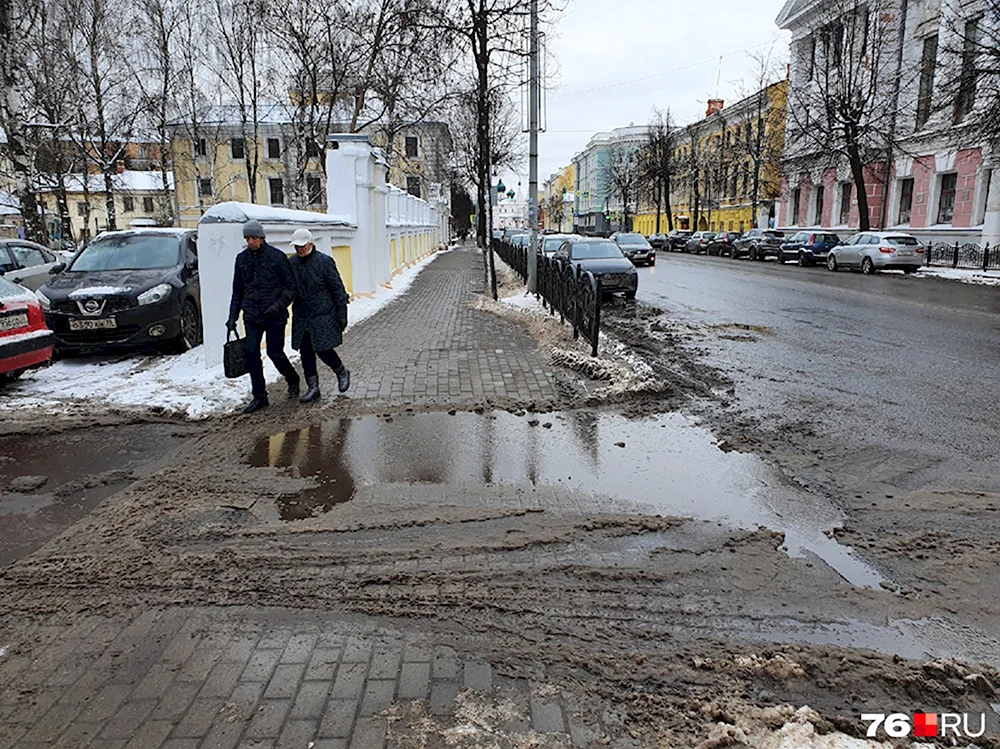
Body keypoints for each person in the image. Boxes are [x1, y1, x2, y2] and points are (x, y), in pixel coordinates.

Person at [227, 219, 301, 414]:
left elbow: (291, 288)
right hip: (251, 315)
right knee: (251, 354)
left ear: (261, 238)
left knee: (275, 352)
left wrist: (277, 306)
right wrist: (232, 317)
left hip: (274, 315)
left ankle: (293, 379)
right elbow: (237, 290)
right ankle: (260, 397)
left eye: (253, 238)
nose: (250, 241)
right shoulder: (241, 259)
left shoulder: (277, 257)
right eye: (247, 238)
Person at [287, 228, 350, 402]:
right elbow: (289, 288)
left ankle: (341, 371)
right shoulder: (292, 264)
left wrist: (342, 313)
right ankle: (313, 387)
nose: (299, 249)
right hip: (302, 315)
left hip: (323, 314)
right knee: (305, 352)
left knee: (323, 349)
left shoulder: (324, 262)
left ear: (310, 243)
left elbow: (337, 288)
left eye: (302, 245)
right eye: (296, 246)